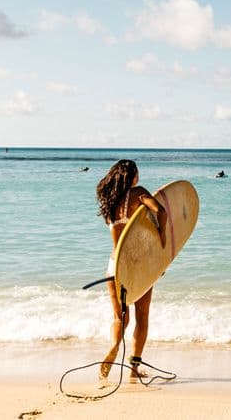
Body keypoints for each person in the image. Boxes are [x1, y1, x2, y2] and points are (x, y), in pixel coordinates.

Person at [96, 159, 166, 381]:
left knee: (119, 318)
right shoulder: (138, 194)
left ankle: (115, 345)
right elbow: (161, 210)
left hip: (114, 265)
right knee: (141, 316)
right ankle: (134, 368)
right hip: (139, 266)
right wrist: (161, 238)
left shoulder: (110, 202)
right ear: (131, 176)